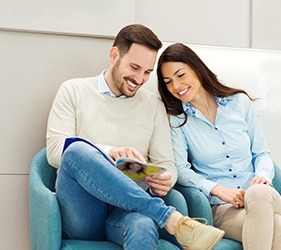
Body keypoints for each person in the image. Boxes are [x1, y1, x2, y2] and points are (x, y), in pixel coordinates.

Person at [46, 25, 224, 250]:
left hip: (127, 211)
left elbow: (167, 164)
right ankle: (171, 219)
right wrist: (109, 151)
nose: (140, 79)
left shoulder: (153, 106)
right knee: (75, 150)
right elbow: (54, 152)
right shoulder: (74, 90)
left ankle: (164, 217)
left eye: (147, 72)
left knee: (143, 225)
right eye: (134, 67)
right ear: (114, 55)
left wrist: (165, 178)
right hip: (84, 211)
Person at [157, 43, 281, 250]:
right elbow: (182, 170)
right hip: (223, 208)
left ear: (196, 68)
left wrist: (263, 176)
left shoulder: (239, 103)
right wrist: (219, 190)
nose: (176, 86)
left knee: (257, 193)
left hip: (263, 196)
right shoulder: (178, 120)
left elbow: (262, 152)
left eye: (180, 75)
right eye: (168, 82)